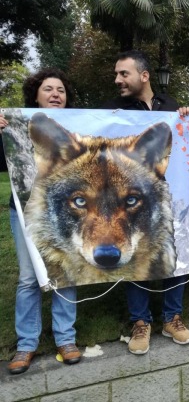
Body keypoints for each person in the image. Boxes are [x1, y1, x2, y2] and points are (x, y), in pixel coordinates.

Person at [102, 50, 189, 354]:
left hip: (170, 196)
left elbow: (188, 145)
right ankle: (140, 322)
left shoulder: (170, 106)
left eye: (123, 74)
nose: (117, 80)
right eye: (116, 74)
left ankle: (172, 317)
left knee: (176, 255)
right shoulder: (112, 110)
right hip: (131, 202)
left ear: (144, 76)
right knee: (136, 257)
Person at [3, 68, 80, 374]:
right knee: (27, 278)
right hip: (25, 211)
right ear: (35, 95)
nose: (55, 94)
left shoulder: (77, 128)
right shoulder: (15, 125)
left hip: (67, 213)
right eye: (48, 89)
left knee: (65, 272)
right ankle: (26, 344)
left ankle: (66, 338)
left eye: (60, 89)